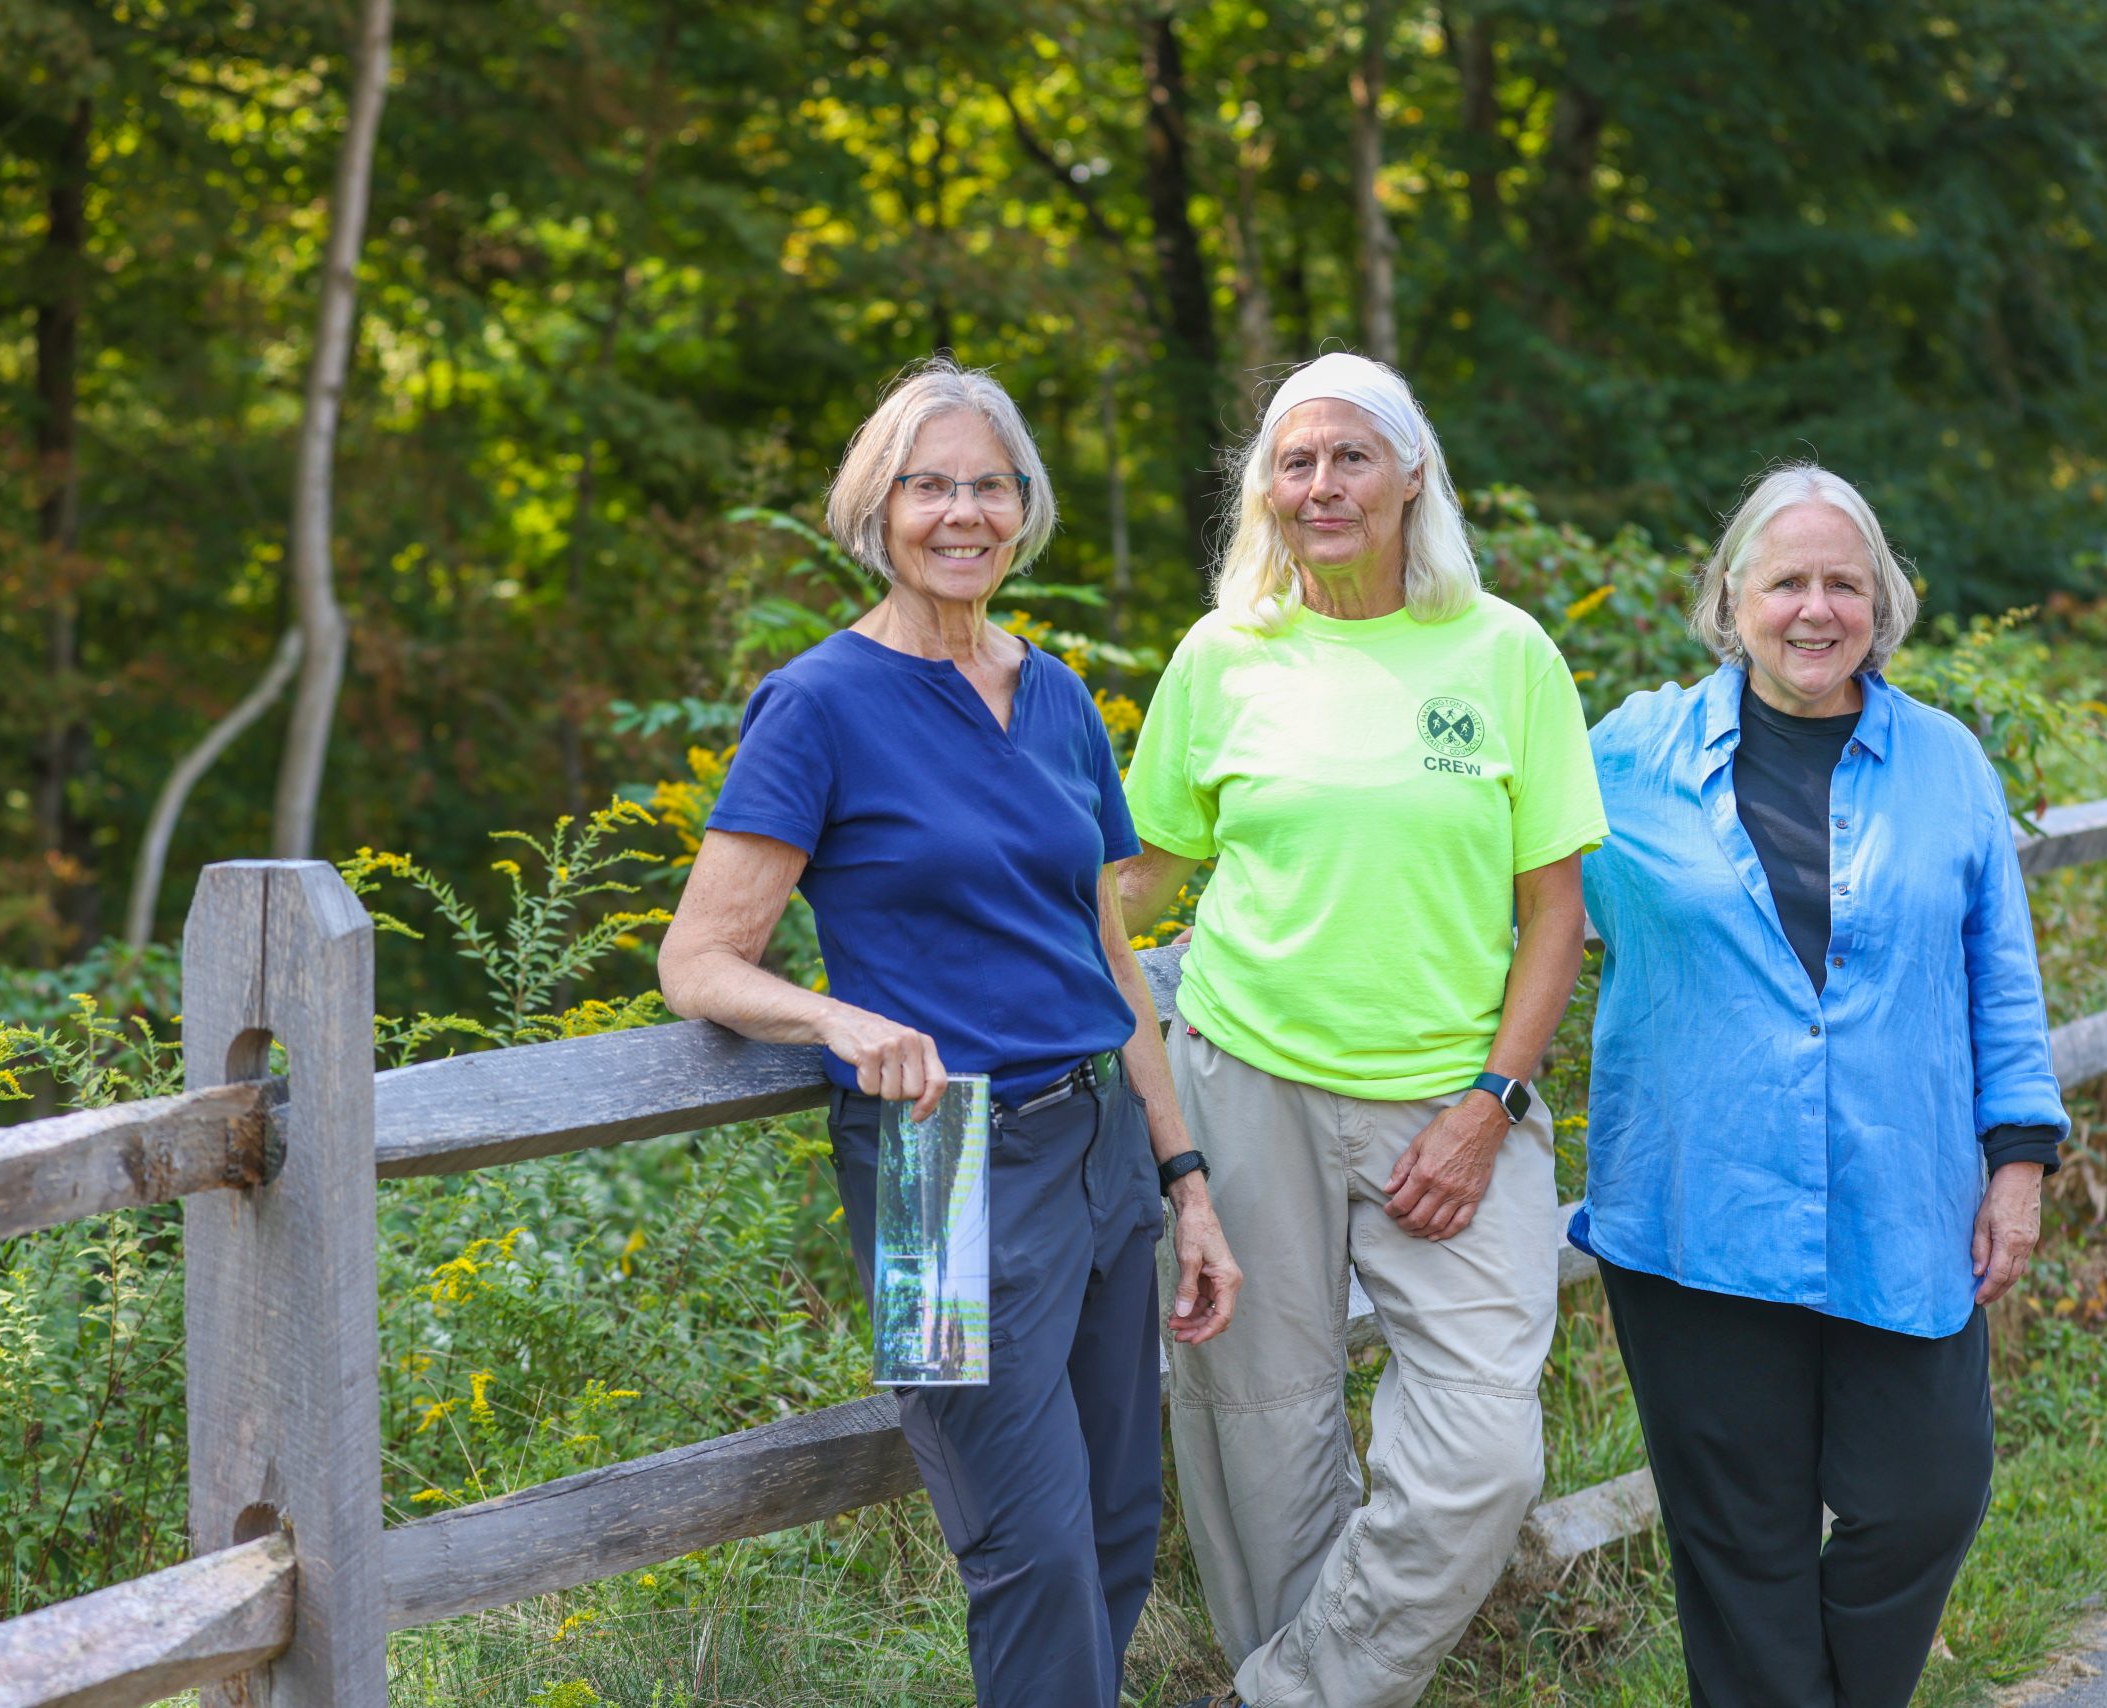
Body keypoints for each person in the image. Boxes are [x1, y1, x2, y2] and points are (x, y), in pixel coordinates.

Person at [657, 357, 1242, 1708]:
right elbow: (697, 960)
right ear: (878, 509)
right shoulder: (815, 704)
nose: (962, 513)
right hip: (933, 1166)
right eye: (930, 487)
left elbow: (1109, 951)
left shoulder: (1057, 695)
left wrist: (1184, 1177)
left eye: (990, 486)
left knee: (1114, 1526)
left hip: (1097, 1144)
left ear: (1024, 506)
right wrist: (835, 1015)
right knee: (1024, 1550)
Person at [1117, 352, 1606, 1708]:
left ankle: (1278, 1696)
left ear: (1410, 477)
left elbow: (1555, 914)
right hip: (1241, 1084)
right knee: (1261, 1441)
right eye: (1296, 461)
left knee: (1481, 1459)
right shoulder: (1222, 656)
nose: (1321, 485)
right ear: (1265, 491)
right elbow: (1136, 877)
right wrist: (979, 917)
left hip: (1453, 1104)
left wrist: (1489, 1104)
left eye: (1350, 457)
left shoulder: (1505, 652)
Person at [1575, 462, 2067, 1708]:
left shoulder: (1944, 762)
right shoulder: (1625, 756)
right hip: (1699, 1204)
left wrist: (2017, 1164)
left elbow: (2000, 973)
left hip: (1899, 1195)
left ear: (1880, 602)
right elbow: (1503, 888)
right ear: (1731, 599)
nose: (1814, 609)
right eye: (1785, 581)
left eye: (1842, 583)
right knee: (1740, 1542)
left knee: (1927, 1494)